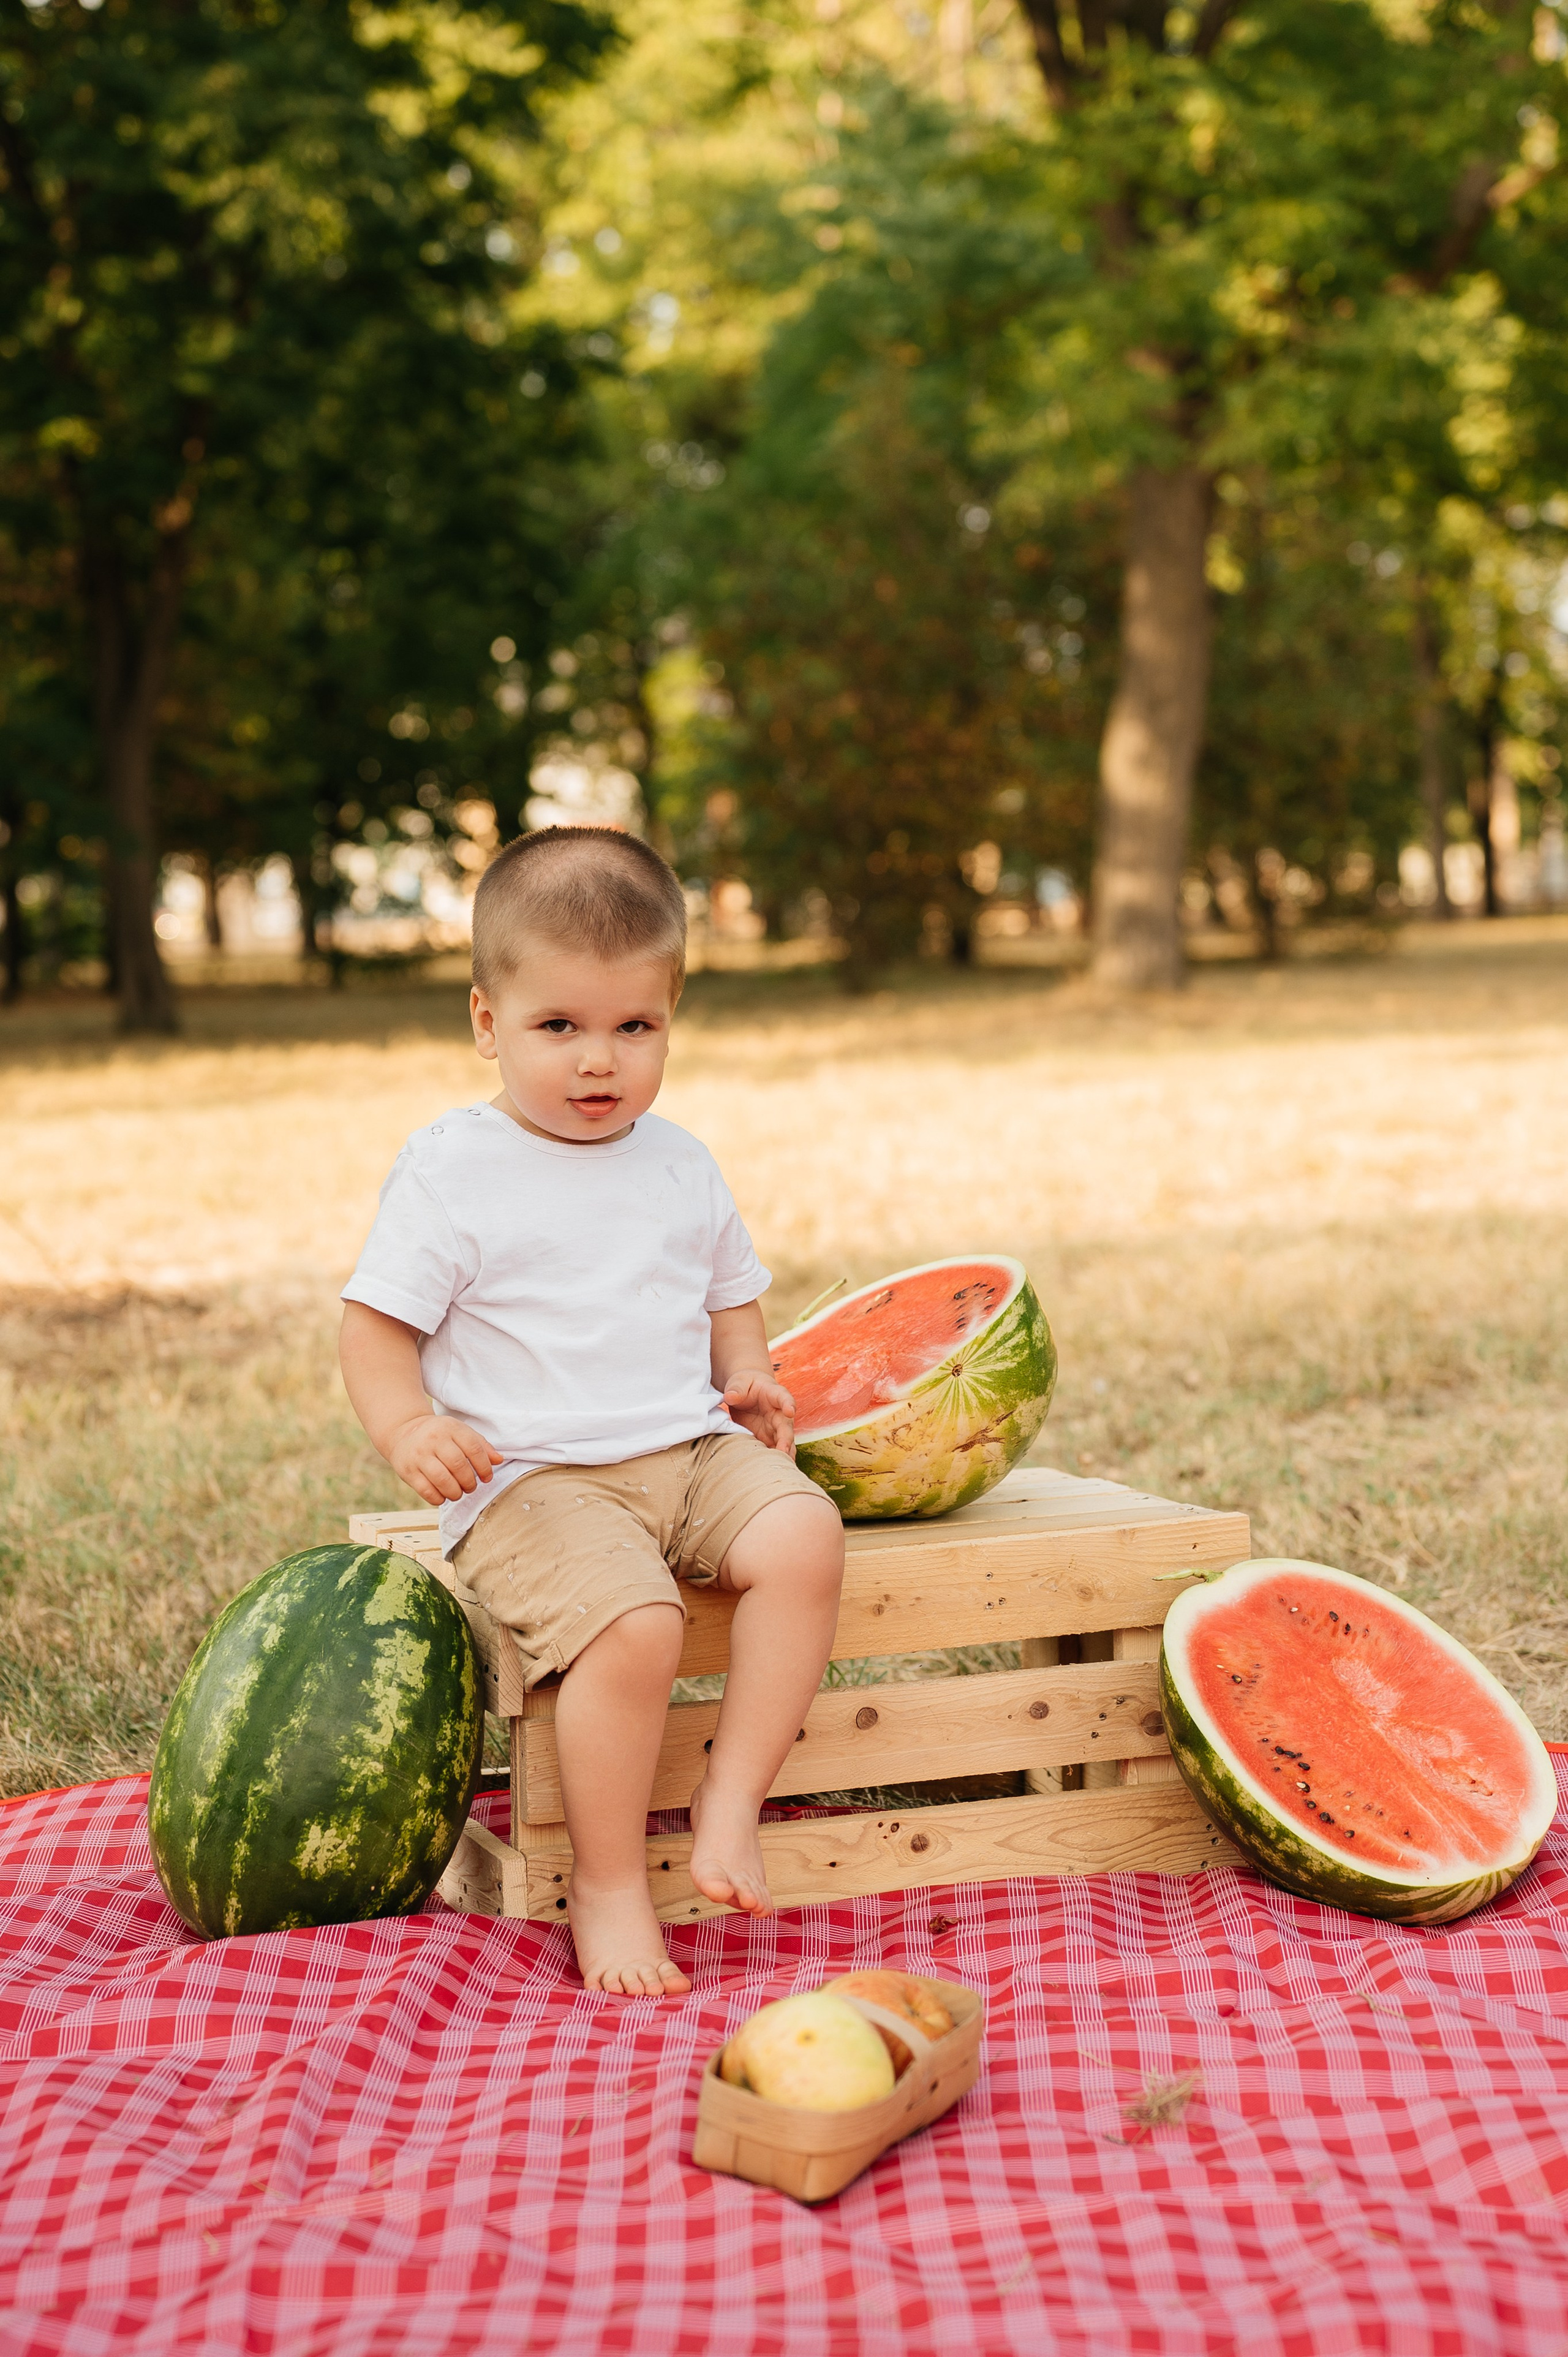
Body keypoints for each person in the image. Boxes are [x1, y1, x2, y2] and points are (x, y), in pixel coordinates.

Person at [339, 827, 845, 1997]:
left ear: (671, 1018)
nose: (598, 1062)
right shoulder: (452, 1171)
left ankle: (731, 1797)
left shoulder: (679, 1162)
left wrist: (749, 1375)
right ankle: (610, 1886)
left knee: (805, 1536)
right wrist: (410, 1429)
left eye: (634, 1027)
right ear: (488, 1022)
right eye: (558, 1026)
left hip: (687, 1449)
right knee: (637, 1629)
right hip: (529, 1480)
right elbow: (374, 1331)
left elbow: (729, 1299)